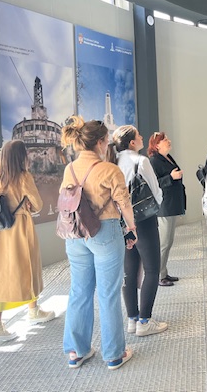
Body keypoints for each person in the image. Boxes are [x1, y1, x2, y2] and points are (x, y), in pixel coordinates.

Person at [60, 117, 136, 370]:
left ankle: (76, 351)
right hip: (105, 233)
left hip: (75, 235)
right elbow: (124, 203)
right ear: (102, 142)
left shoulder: (69, 169)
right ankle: (113, 354)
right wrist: (132, 228)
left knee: (79, 291)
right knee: (108, 294)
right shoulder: (109, 170)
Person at [0, 140, 55, 343]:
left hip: (0, 230)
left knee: (0, 273)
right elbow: (37, 204)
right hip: (20, 228)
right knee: (27, 266)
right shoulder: (24, 177)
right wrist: (27, 204)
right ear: (20, 156)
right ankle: (33, 311)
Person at [112, 125, 168, 337]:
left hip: (121, 221)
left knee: (129, 269)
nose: (142, 137)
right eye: (139, 135)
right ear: (132, 142)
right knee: (152, 269)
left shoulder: (112, 162)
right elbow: (155, 191)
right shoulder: (141, 161)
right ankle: (145, 321)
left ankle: (132, 319)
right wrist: (156, 206)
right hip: (143, 220)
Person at [148, 131, 186, 286]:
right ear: (157, 145)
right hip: (164, 206)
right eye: (164, 140)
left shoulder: (167, 157)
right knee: (163, 243)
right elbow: (154, 183)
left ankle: (163, 272)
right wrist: (171, 177)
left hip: (171, 205)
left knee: (168, 242)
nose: (168, 141)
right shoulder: (154, 161)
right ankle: (159, 276)